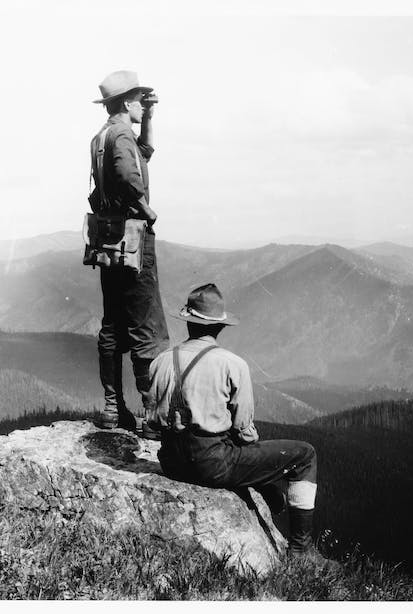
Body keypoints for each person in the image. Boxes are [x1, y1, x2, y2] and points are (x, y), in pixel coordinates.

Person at [146, 283, 318, 553]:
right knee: (305, 455)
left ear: (188, 323)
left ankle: (267, 490)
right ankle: (301, 550)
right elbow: (244, 430)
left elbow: (153, 422)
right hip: (212, 465)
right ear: (220, 327)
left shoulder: (160, 361)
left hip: (171, 462)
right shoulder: (232, 364)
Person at [90, 70, 170, 437]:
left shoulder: (102, 136)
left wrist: (150, 117)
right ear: (125, 102)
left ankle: (112, 407)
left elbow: (145, 153)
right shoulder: (121, 134)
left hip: (109, 240)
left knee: (113, 321)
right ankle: (152, 415)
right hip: (134, 237)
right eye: (140, 100)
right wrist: (145, 208)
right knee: (145, 323)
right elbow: (127, 173)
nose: (143, 104)